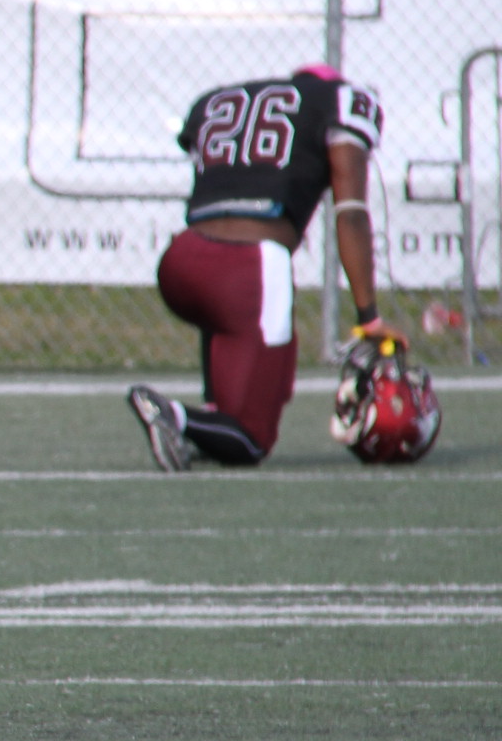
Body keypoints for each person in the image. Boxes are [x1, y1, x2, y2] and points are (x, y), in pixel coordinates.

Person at [128, 65, 389, 472]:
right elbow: (351, 211)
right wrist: (369, 318)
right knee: (251, 440)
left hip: (181, 260)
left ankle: (202, 427)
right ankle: (173, 415)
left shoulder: (218, 100)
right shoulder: (337, 102)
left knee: (236, 349)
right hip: (248, 267)